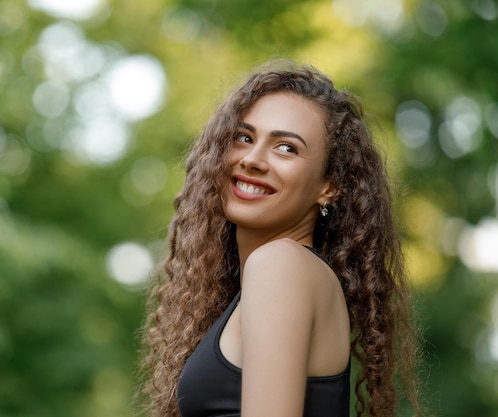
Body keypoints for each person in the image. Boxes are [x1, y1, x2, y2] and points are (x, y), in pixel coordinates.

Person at [138, 61, 421, 417]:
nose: (253, 160)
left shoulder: (280, 265)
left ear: (329, 185)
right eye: (244, 137)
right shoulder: (283, 275)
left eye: (286, 147)